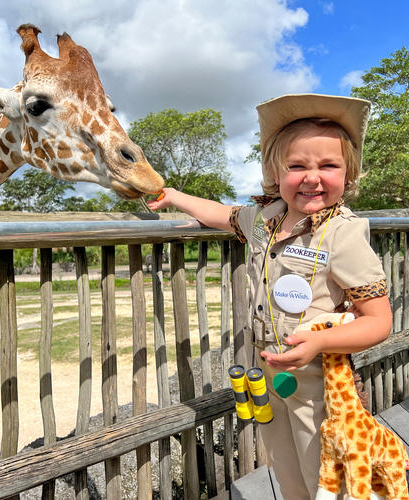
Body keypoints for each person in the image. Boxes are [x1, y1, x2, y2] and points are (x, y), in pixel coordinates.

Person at [148, 93, 392, 499]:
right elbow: (223, 215)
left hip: (319, 381)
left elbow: (379, 321)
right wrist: (173, 195)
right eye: (297, 166)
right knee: (287, 470)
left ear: (348, 174)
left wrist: (319, 342)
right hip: (271, 373)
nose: (312, 178)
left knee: (330, 479)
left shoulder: (341, 234)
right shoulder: (267, 222)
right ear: (275, 173)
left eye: (328, 166)